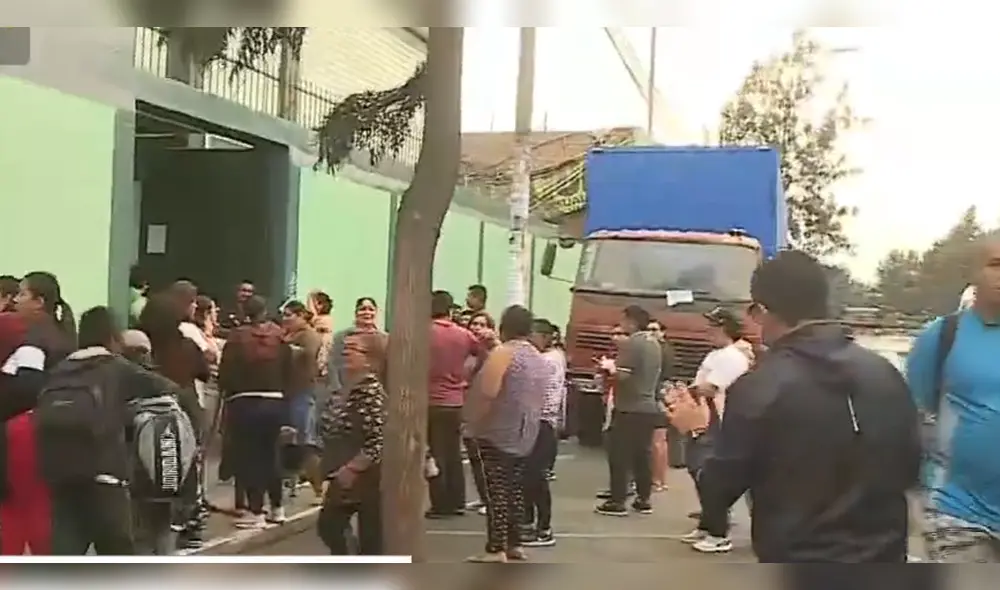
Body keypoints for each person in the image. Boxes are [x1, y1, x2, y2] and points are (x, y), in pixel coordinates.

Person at [667, 250, 920, 562]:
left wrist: (698, 431)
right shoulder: (884, 372)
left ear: (761, 311)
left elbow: (717, 493)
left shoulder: (760, 385)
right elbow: (911, 467)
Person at [42, 306, 182, 555]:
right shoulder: (116, 367)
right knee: (117, 555)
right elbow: (168, 389)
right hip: (104, 474)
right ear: (112, 337)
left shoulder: (59, 370)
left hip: (60, 474)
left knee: (65, 555)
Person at [907, 237, 1000, 562]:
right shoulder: (943, 335)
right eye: (995, 265)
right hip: (959, 511)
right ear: (975, 271)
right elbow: (918, 410)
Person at [463, 305, 548, 563]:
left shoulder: (504, 353)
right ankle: (515, 543)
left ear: (504, 325)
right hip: (526, 431)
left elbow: (488, 391)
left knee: (495, 489)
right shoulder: (536, 356)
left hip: (497, 430)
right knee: (515, 489)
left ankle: (496, 547)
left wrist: (471, 420)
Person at [677, 306, 753, 553]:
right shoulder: (716, 354)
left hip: (718, 422)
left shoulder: (732, 356)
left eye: (714, 326)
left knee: (710, 476)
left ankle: (719, 533)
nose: (709, 330)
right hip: (702, 419)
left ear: (726, 328)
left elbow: (711, 388)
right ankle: (707, 525)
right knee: (697, 470)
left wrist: (689, 391)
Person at [137, 292, 210, 549]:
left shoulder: (140, 347)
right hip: (185, 412)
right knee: (187, 469)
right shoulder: (187, 345)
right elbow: (205, 372)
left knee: (149, 470)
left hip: (146, 416)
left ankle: (150, 527)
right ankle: (188, 526)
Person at [218, 295, 294, 529]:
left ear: (244, 312)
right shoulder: (279, 336)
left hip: (245, 402)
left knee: (250, 457)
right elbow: (288, 369)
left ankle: (255, 510)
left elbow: (225, 373)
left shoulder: (237, 337)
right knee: (271, 455)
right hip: (275, 402)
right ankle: (277, 508)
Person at [316, 330, 389, 555]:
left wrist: (353, 468)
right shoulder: (344, 389)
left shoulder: (370, 392)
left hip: (366, 475)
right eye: (345, 348)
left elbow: (379, 439)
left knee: (365, 535)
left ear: (370, 358)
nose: (346, 352)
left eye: (353, 349)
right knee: (331, 526)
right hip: (342, 470)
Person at [595, 305, 662, 517]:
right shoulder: (654, 343)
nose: (621, 325)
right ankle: (644, 498)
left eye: (623, 320)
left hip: (628, 406)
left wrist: (607, 369)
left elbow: (623, 375)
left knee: (619, 454)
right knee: (642, 454)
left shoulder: (632, 343)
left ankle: (617, 500)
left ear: (632, 321)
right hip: (648, 405)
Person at [426, 290, 486, 519]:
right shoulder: (463, 334)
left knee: (434, 452)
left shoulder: (422, 332)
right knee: (452, 453)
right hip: (455, 400)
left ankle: (441, 503)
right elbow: (482, 353)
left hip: (430, 399)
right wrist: (467, 374)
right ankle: (457, 500)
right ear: (450, 310)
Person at [0, 312, 47, 555]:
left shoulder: (26, 355)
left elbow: (28, 392)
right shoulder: (28, 355)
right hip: (24, 437)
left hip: (19, 438)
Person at [521, 319, 566, 548]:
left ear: (546, 337)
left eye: (534, 335)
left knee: (536, 477)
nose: (530, 340)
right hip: (535, 422)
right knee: (527, 476)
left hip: (542, 423)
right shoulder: (550, 357)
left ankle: (543, 528)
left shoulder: (548, 360)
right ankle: (527, 522)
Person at [281, 299, 324, 504]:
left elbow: (307, 354)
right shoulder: (286, 334)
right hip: (286, 392)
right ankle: (290, 484)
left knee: (305, 441)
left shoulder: (310, 335)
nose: (285, 319)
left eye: (289, 315)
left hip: (303, 392)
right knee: (286, 441)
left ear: (301, 316)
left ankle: (319, 489)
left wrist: (284, 348)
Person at [463, 310, 498, 516]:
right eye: (474, 324)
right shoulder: (469, 350)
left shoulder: (493, 351)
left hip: (485, 410)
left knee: (485, 457)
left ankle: (491, 499)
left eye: (481, 324)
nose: (476, 328)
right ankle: (483, 497)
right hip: (468, 407)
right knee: (474, 457)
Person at [328, 297, 383, 395]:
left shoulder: (384, 338)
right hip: (348, 391)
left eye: (371, 309)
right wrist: (337, 389)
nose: (367, 313)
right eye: (363, 309)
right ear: (356, 313)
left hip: (375, 393)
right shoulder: (342, 336)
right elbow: (333, 363)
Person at [647, 319, 675, 493]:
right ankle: (659, 479)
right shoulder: (665, 350)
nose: (651, 333)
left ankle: (657, 480)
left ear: (663, 332)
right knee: (659, 439)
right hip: (660, 395)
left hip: (657, 396)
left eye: (655, 329)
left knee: (658, 439)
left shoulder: (661, 351)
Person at [306, 290, 334, 387]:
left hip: (324, 345)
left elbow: (312, 315)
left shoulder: (324, 319)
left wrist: (311, 296)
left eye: (318, 304)